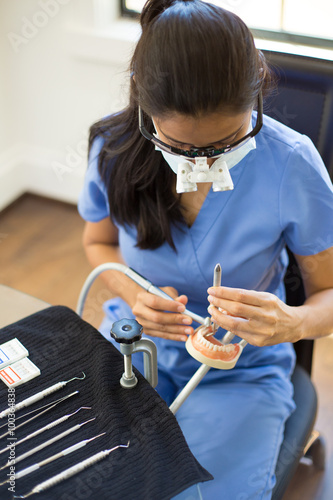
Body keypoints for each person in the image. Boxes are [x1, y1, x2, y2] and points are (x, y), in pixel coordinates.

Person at [78, 1, 333, 498]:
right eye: (183, 148)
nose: (206, 164)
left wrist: (294, 323)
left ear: (257, 89)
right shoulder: (112, 146)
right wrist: (131, 293)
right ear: (146, 110)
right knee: (84, 475)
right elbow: (98, 242)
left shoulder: (292, 164)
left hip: (239, 369)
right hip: (136, 344)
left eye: (226, 142)